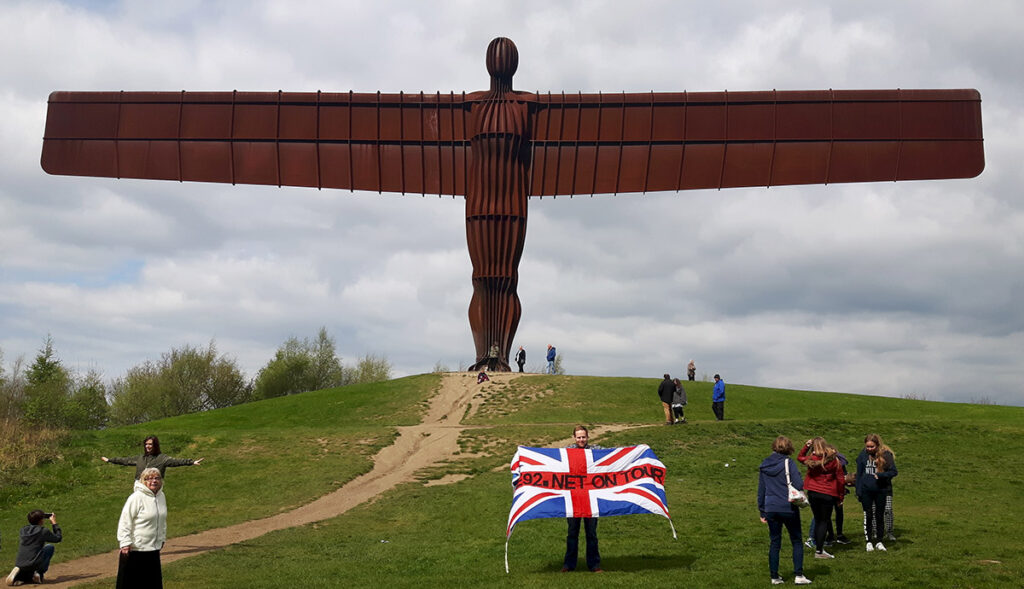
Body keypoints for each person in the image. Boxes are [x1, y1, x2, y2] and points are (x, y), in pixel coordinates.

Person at [758, 436, 812, 586]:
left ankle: (774, 576)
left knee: (775, 542)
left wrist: (762, 511)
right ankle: (799, 575)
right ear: (789, 448)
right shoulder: (789, 463)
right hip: (787, 506)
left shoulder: (764, 465)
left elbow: (761, 489)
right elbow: (799, 484)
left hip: (770, 506)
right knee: (796, 540)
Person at [116, 467, 168, 588]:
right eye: (148, 479)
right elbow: (125, 521)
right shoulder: (136, 497)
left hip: (153, 549)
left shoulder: (161, 496)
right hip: (136, 549)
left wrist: (162, 538)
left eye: (156, 478)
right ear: (143, 481)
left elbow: (162, 519)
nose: (153, 481)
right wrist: (125, 542)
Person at [562, 425, 602, 573]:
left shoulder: (595, 451)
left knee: (591, 534)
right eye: (578, 437)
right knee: (572, 532)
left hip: (591, 498)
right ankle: (568, 565)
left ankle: (594, 565)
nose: (581, 440)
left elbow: (613, 454)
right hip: (574, 499)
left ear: (588, 437)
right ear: (574, 438)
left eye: (583, 437)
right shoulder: (567, 452)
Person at [798, 437, 844, 559]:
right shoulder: (834, 460)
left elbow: (800, 457)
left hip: (813, 492)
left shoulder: (811, 459)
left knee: (818, 520)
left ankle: (817, 545)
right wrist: (840, 496)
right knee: (824, 521)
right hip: (828, 492)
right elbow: (840, 479)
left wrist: (806, 447)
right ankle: (819, 550)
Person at [856, 433, 898, 552]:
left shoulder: (886, 455)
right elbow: (859, 474)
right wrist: (858, 491)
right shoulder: (863, 456)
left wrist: (881, 475)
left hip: (881, 490)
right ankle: (869, 541)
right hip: (866, 491)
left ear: (877, 445)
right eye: (867, 447)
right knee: (868, 515)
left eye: (872, 447)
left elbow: (894, 471)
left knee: (880, 515)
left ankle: (879, 540)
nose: (869, 449)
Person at [102, 436, 204, 480]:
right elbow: (125, 460)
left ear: (155, 445)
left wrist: (191, 462)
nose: (148, 446)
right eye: (146, 444)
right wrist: (110, 460)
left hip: (154, 489)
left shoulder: (162, 458)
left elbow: (176, 461)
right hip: (140, 487)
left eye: (150, 444)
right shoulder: (140, 458)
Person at [6, 510, 62, 585]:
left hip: (20, 563)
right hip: (34, 563)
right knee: (49, 547)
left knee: (27, 574)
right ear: (41, 520)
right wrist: (54, 523)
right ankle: (39, 573)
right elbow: (58, 538)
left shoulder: (23, 530)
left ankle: (20, 576)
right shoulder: (43, 531)